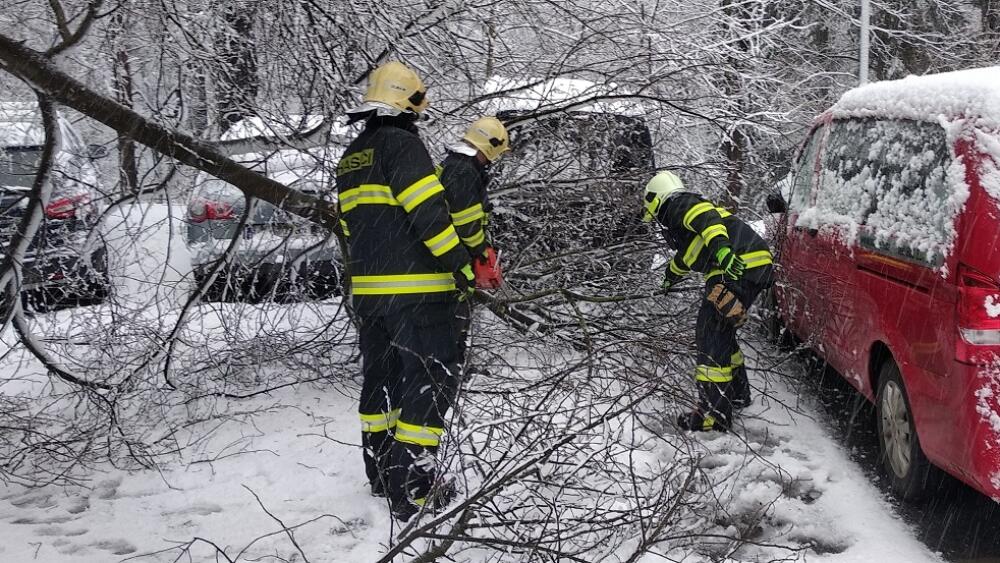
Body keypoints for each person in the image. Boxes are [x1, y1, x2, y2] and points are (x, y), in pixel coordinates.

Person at [336, 61, 474, 521]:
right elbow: (429, 215)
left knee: (383, 382)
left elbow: (348, 228)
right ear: (408, 105)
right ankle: (413, 487)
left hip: (371, 298)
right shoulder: (403, 146)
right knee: (428, 382)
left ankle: (382, 475)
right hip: (418, 296)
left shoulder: (352, 156)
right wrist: (462, 267)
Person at [641, 170, 774, 432]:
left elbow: (708, 219)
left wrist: (723, 251)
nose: (660, 224)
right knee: (722, 333)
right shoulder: (689, 233)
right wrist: (668, 278)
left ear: (658, 200)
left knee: (710, 334)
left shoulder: (678, 204)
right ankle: (737, 395)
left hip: (734, 269)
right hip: (750, 269)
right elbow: (685, 259)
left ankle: (714, 416)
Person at [438, 116, 510, 364]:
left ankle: (452, 364)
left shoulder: (457, 166)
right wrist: (481, 250)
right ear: (489, 146)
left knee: (457, 314)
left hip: (451, 253)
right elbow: (466, 222)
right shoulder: (463, 171)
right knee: (454, 319)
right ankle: (450, 368)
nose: (493, 160)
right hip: (454, 257)